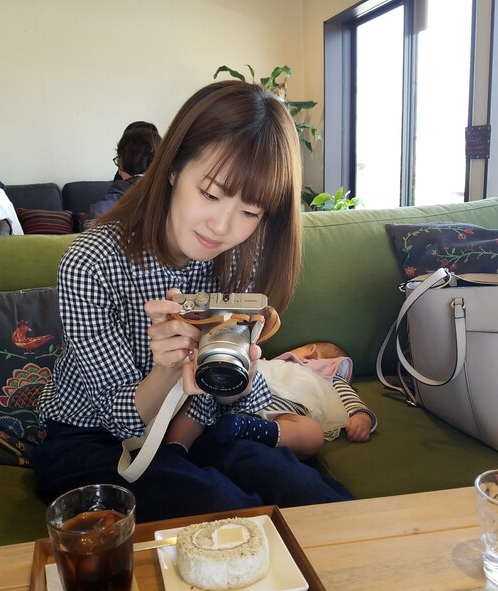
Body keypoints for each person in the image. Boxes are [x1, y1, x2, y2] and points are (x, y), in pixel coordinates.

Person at [31, 81, 352, 524]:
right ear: (173, 168)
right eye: (211, 193)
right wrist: (166, 369)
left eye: (250, 211)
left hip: (196, 425)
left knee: (309, 496)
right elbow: (118, 419)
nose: (221, 226)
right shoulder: (91, 261)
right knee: (224, 512)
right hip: (91, 437)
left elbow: (236, 402)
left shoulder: (241, 257)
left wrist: (238, 379)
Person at [165, 341, 377, 460]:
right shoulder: (274, 364)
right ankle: (174, 449)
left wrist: (361, 415)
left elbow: (347, 395)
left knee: (313, 433)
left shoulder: (328, 375)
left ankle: (243, 427)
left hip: (282, 413)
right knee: (199, 397)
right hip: (243, 391)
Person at [84, 126, 162, 227]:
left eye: (118, 160)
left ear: (126, 160)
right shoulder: (169, 187)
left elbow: (94, 219)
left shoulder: (123, 189)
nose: (119, 172)